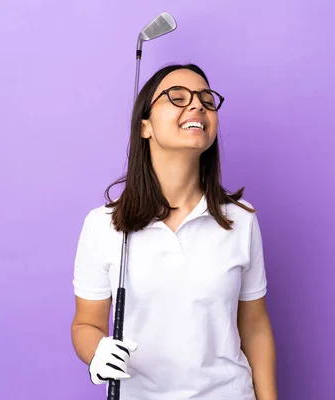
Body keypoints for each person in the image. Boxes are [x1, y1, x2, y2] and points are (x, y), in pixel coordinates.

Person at [71, 63, 278, 399]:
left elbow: (255, 327)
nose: (197, 105)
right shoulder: (103, 225)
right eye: (177, 97)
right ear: (145, 126)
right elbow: (86, 325)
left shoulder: (241, 218)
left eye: (207, 100)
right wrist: (96, 352)